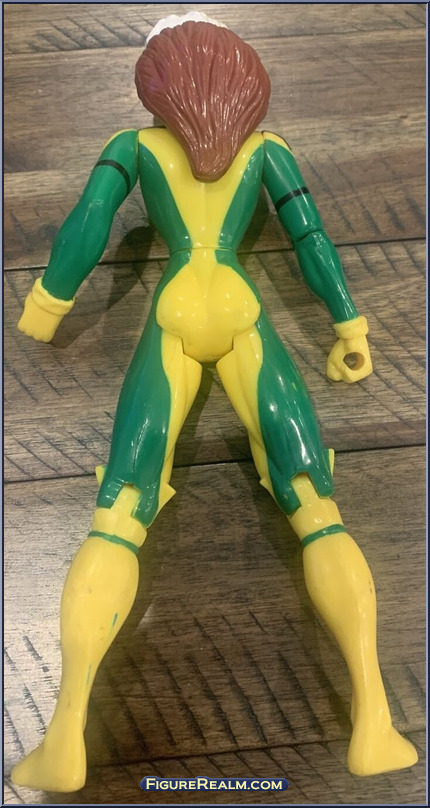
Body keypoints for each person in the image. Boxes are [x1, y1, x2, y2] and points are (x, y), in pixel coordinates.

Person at [12, 12, 417, 792]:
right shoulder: (267, 150)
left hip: (172, 314)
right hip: (240, 312)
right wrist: (349, 324)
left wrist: (47, 305)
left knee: (119, 507)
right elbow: (311, 237)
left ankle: (63, 731)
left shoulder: (134, 146)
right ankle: (376, 717)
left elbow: (88, 223)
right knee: (316, 502)